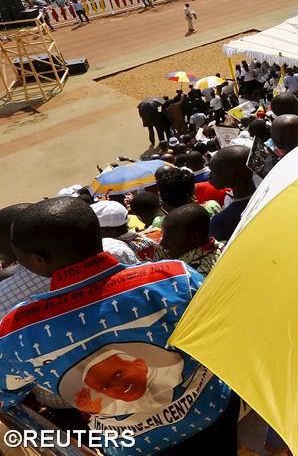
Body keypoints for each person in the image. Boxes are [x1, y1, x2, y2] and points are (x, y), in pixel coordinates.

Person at [0, 198, 238, 454]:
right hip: (213, 413)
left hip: (135, 447)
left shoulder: (18, 331)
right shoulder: (174, 277)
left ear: (38, 260)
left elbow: (6, 394)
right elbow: (221, 333)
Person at [208, 145, 257, 241]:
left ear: (234, 176)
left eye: (214, 171)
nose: (209, 176)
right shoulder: (269, 195)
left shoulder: (221, 222)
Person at [161, 203, 223, 276]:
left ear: (195, 238)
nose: (162, 244)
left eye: (169, 239)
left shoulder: (192, 277)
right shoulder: (225, 249)